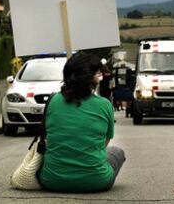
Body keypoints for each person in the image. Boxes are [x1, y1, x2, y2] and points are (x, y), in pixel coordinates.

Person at [38, 53, 125, 192]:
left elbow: (48, 137)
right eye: (98, 73)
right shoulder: (105, 104)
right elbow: (104, 144)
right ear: (90, 78)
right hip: (97, 181)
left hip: (51, 180)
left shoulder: (53, 100)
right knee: (117, 151)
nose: (100, 76)